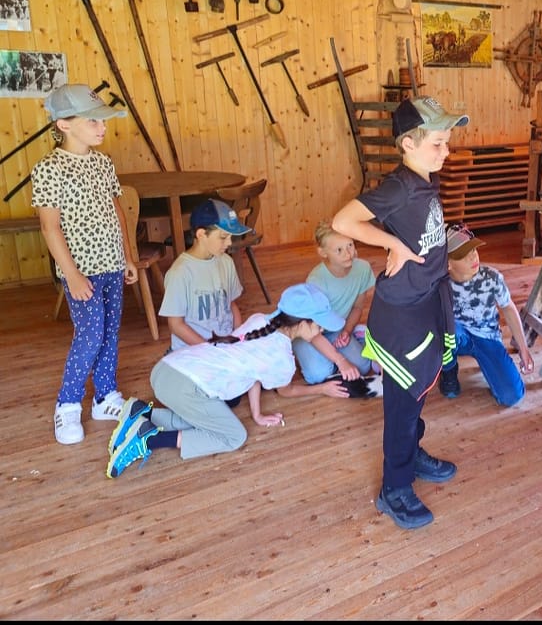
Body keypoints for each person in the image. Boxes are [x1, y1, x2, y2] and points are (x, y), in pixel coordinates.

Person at [331, 96, 468, 530]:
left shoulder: (425, 179)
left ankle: (412, 454)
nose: (446, 151)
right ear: (408, 144)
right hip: (401, 313)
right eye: (437, 144)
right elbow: (343, 222)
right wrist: (393, 245)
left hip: (425, 299)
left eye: (447, 142)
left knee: (420, 389)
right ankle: (394, 488)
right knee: (403, 404)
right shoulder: (401, 186)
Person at [105, 283, 343, 478]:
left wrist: (257, 414)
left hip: (167, 369)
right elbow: (286, 391)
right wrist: (322, 389)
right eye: (319, 325)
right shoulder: (282, 359)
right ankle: (148, 439)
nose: (322, 331)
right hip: (184, 387)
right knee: (233, 436)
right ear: (302, 323)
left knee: (210, 419)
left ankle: (142, 413)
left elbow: (254, 373)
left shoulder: (260, 320)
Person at [31, 83, 138, 445]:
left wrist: (127, 256)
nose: (102, 127)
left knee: (109, 332)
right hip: (81, 271)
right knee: (90, 335)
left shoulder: (103, 163)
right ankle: (67, 403)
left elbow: (117, 212)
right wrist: (72, 275)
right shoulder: (49, 169)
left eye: (102, 120)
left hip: (112, 264)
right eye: (93, 121)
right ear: (64, 125)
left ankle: (105, 396)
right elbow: (49, 226)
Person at [440, 222, 533, 406]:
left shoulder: (492, 278)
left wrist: (523, 349)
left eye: (473, 249)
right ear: (448, 264)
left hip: (487, 337)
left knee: (512, 396)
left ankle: (489, 365)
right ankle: (448, 371)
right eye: (463, 255)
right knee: (442, 329)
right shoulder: (440, 284)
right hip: (456, 336)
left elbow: (509, 308)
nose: (473, 256)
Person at [288, 221, 379, 398]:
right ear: (323, 253)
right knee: (317, 376)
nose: (348, 253)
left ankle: (354, 336)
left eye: (350, 245)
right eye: (339, 250)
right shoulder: (316, 281)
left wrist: (347, 331)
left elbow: (357, 307)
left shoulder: (363, 269)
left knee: (363, 367)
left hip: (337, 327)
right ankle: (311, 353)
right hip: (308, 332)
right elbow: (311, 330)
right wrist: (341, 360)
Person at [159, 198, 250, 352]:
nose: (229, 243)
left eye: (230, 237)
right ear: (201, 234)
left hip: (224, 346)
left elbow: (231, 304)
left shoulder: (226, 262)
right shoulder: (180, 273)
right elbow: (176, 325)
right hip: (192, 351)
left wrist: (238, 338)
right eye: (223, 237)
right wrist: (209, 350)